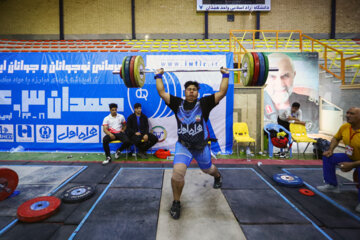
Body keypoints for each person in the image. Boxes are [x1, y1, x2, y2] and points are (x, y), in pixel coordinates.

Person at [155, 67, 229, 220]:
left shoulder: (204, 103)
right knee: (177, 174)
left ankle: (218, 176)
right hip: (184, 146)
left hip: (201, 147)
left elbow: (222, 93)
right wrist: (158, 76)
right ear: (185, 91)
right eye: (189, 89)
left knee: (208, 169)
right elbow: (162, 92)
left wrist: (226, 75)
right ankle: (176, 202)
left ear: (197, 92)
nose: (191, 91)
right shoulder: (177, 103)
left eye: (194, 89)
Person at [316, 107, 360, 213]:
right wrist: (330, 149)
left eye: (352, 114)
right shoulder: (345, 127)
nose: (348, 115)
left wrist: (352, 165)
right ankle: (332, 185)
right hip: (350, 156)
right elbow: (336, 138)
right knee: (328, 157)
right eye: (347, 113)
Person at [264, 53, 319, 132]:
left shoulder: (312, 108)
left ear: (294, 75)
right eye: (272, 76)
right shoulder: (256, 103)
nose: (280, 84)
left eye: (285, 76)